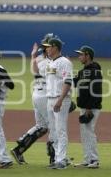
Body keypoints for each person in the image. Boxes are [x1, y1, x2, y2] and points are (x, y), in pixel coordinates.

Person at [11, 34, 55, 165]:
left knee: (42, 126)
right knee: (53, 126)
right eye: (51, 45)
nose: (53, 48)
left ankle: (19, 150)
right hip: (44, 96)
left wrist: (32, 56)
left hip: (38, 94)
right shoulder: (47, 61)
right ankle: (54, 158)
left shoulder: (39, 59)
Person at [42, 38, 73, 169]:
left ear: (55, 47)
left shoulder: (64, 62)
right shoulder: (49, 63)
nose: (46, 49)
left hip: (60, 99)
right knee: (53, 131)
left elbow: (68, 81)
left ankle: (61, 160)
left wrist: (60, 100)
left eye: (48, 47)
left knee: (60, 129)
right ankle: (57, 158)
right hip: (49, 99)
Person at [73, 45, 102, 169]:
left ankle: (94, 160)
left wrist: (89, 107)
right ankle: (87, 159)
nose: (79, 57)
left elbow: (96, 90)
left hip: (92, 107)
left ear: (87, 56)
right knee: (84, 133)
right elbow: (74, 83)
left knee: (89, 132)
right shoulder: (82, 72)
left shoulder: (95, 71)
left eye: (81, 54)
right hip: (84, 106)